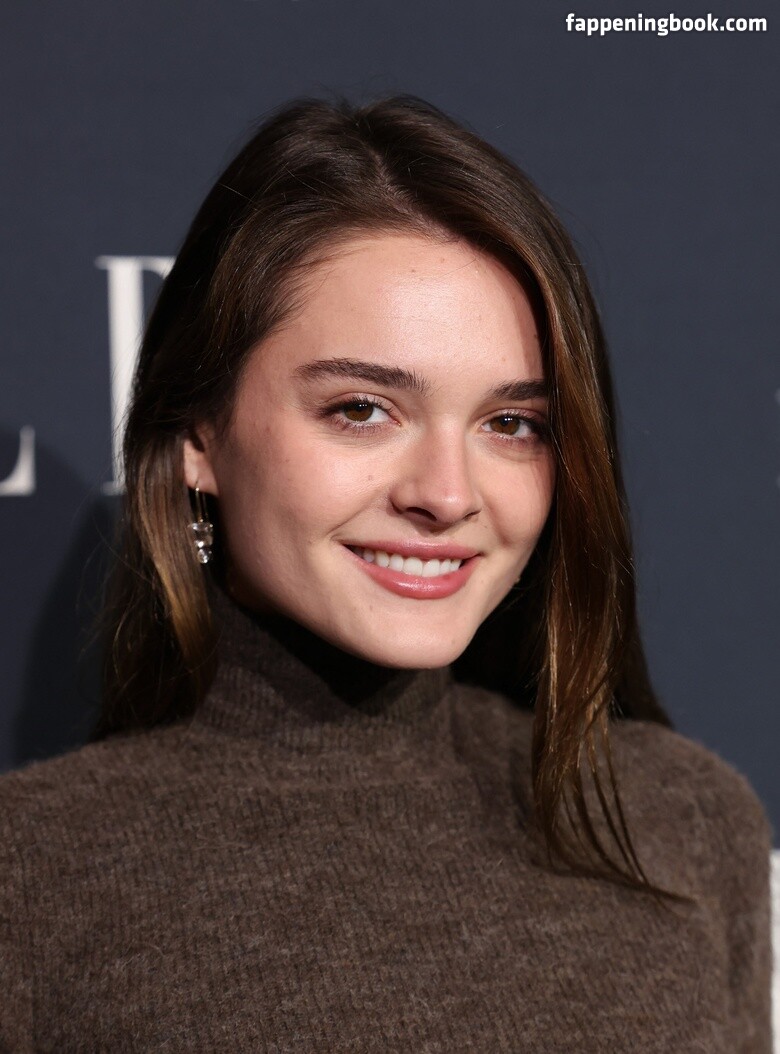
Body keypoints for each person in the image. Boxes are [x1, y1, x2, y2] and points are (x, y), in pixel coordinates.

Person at [0, 94, 773, 1052]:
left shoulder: (682, 816)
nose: (447, 494)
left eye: (511, 424)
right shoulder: (31, 877)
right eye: (362, 409)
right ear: (199, 435)